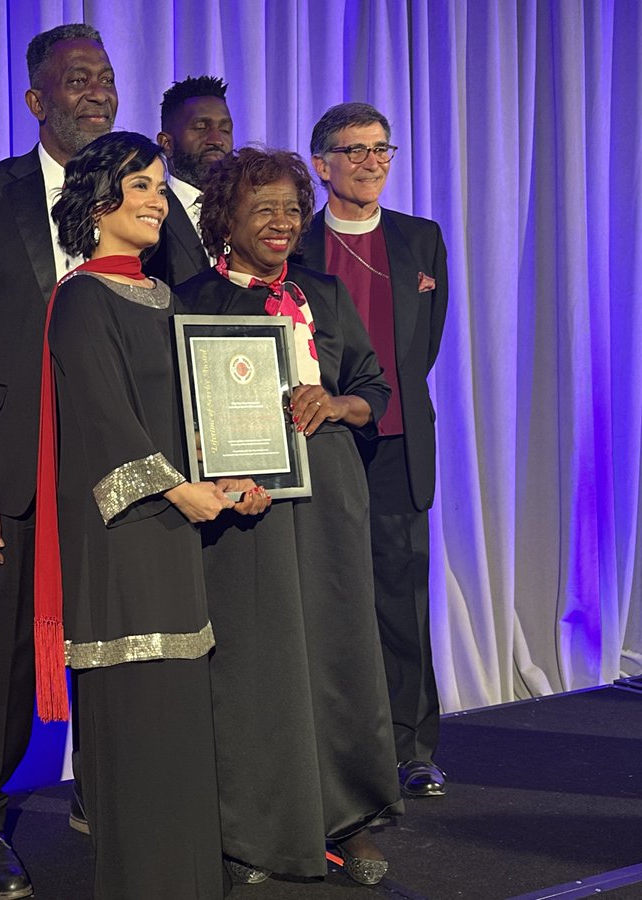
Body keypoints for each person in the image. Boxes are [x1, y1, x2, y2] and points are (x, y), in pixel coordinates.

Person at [37, 130, 264, 899]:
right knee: (137, 725)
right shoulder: (78, 300)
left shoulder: (170, 298)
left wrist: (234, 472)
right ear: (98, 200)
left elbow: (192, 411)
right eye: (139, 186)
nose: (155, 201)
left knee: (180, 725)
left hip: (177, 532)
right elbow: (104, 419)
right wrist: (178, 490)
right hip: (124, 535)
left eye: (161, 189)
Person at [176, 147, 402, 885]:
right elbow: (175, 420)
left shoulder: (326, 293)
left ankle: (353, 818)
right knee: (258, 666)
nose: (282, 222)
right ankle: (261, 831)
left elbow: (373, 387)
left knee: (340, 655)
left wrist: (335, 403)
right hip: (248, 512)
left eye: (292, 208)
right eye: (262, 208)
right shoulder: (189, 302)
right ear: (224, 219)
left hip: (332, 501)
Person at [0, 23, 117, 899]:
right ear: (35, 99)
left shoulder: (132, 192)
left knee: (117, 639)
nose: (96, 92)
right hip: (9, 468)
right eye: (77, 79)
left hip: (112, 466)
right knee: (3, 651)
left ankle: (112, 794)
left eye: (107, 78)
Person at [299, 102, 449, 797]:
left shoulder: (422, 240)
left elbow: (422, 348)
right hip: (321, 447)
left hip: (397, 450)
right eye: (353, 150)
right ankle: (333, 751)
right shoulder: (295, 244)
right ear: (321, 164)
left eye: (381, 148)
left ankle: (415, 749)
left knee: (401, 605)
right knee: (326, 603)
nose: (370, 162)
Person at [149, 75, 235, 285]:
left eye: (225, 129)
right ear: (166, 143)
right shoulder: (150, 211)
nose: (216, 140)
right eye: (201, 127)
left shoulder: (242, 211)